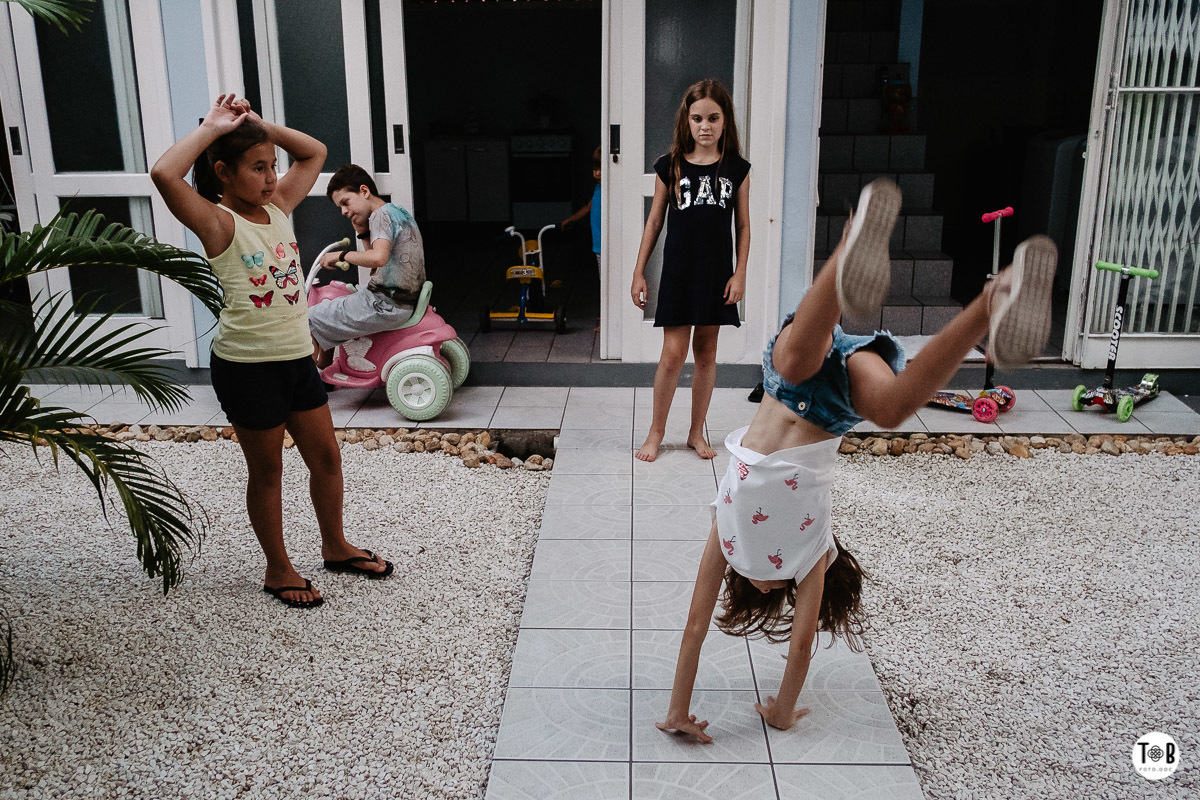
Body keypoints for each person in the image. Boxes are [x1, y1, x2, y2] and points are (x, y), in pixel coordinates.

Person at [655, 178, 1056, 740]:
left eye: (763, 588)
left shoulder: (728, 538)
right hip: (833, 405)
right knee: (891, 408)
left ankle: (851, 244)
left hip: (791, 377)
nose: (770, 583)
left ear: (749, 586)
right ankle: (991, 303)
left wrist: (680, 713)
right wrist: (782, 709)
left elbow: (698, 625)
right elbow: (801, 642)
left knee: (796, 360)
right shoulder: (812, 554)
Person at [151, 94, 394, 610]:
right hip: (247, 368)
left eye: (272, 167)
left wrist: (259, 125)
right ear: (222, 172)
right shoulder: (219, 223)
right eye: (258, 168)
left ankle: (335, 545)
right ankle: (278, 567)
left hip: (295, 359)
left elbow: (316, 153)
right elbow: (165, 174)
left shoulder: (278, 207)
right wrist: (213, 126)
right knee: (267, 472)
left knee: (326, 457)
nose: (269, 177)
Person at [631, 79, 750, 462]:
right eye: (698, 118)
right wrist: (639, 272)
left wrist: (740, 273)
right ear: (687, 120)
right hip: (680, 273)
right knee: (672, 354)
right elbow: (654, 223)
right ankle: (656, 431)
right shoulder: (671, 166)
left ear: (725, 121)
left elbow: (744, 227)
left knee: (706, 353)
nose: (705, 126)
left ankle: (696, 433)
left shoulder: (736, 169)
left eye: (713, 118)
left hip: (717, 274)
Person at [309, 165, 427, 369]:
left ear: (364, 191)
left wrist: (341, 255)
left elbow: (378, 258)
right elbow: (377, 268)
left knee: (308, 318)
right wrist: (363, 233)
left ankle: (307, 385)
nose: (344, 212)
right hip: (396, 302)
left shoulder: (380, 215)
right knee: (327, 314)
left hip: (385, 304)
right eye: (340, 208)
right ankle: (325, 371)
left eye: (345, 203)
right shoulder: (397, 212)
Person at [561, 146, 603, 280]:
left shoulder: (610, 191)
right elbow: (587, 207)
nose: (597, 173)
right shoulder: (598, 188)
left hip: (610, 245)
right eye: (594, 169)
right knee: (604, 279)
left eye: (600, 169)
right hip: (599, 246)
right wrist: (570, 219)